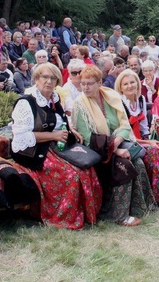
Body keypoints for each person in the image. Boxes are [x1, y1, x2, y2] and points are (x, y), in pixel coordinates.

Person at [10, 63, 102, 228]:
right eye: (45, 77)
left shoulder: (54, 98)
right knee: (72, 174)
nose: (49, 81)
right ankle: (63, 217)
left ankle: (88, 215)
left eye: (53, 78)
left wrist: (71, 130)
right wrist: (54, 136)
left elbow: (58, 122)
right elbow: (22, 136)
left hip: (54, 146)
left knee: (86, 168)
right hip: (32, 151)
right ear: (36, 79)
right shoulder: (27, 102)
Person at [72, 65, 153, 226]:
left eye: (90, 83)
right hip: (96, 152)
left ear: (99, 83)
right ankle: (118, 214)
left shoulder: (111, 97)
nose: (85, 87)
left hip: (116, 144)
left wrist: (116, 143)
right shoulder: (80, 104)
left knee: (138, 161)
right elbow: (88, 138)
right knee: (124, 166)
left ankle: (139, 207)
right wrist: (115, 150)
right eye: (83, 84)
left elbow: (124, 125)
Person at [116, 69, 159, 210]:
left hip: (140, 138)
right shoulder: (120, 103)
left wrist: (148, 138)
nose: (130, 86)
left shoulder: (140, 99)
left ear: (137, 83)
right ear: (120, 88)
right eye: (126, 84)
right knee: (152, 151)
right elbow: (127, 133)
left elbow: (144, 127)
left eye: (132, 82)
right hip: (127, 141)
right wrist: (147, 142)